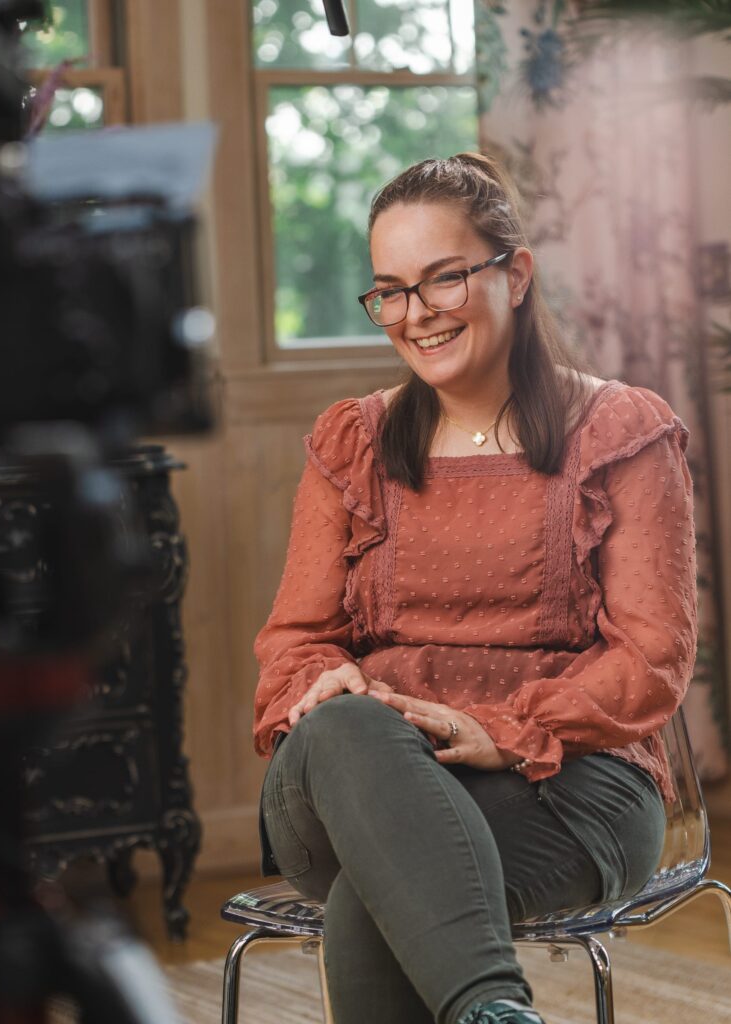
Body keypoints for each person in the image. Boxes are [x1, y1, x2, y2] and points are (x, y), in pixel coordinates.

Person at [252, 153, 698, 1024]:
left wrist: (502, 730)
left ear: (515, 274)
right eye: (388, 291)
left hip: (569, 788)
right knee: (350, 724)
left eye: (443, 280)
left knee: (378, 899)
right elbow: (290, 638)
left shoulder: (617, 432)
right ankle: (496, 1007)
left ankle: (488, 1011)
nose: (413, 316)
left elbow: (652, 658)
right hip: (346, 784)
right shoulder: (351, 441)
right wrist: (320, 683)